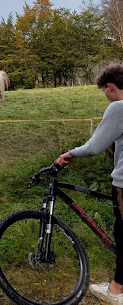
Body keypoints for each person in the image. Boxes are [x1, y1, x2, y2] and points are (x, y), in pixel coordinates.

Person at [56, 63, 123, 304]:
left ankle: (116, 291)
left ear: (111, 87)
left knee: (122, 233)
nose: (105, 95)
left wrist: (70, 153)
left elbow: (95, 146)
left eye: (104, 90)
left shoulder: (118, 107)